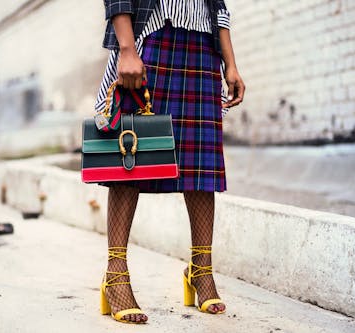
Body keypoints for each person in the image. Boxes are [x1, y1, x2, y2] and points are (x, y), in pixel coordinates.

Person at [96, 0, 245, 324]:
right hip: (150, 37)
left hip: (203, 47)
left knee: (200, 164)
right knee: (130, 156)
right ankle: (115, 274)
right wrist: (126, 47)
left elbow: (217, 5)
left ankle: (201, 271)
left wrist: (230, 63)